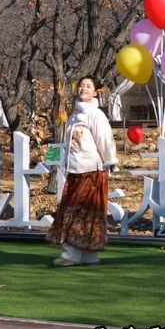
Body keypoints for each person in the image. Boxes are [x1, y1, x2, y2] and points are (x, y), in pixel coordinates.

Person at [47, 76, 118, 267]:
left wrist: (110, 162)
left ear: (96, 92)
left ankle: (74, 255)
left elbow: (105, 141)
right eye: (81, 85)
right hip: (75, 171)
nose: (83, 89)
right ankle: (87, 255)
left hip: (92, 171)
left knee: (83, 212)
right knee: (79, 211)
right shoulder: (73, 116)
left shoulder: (95, 115)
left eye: (88, 86)